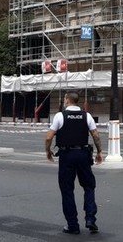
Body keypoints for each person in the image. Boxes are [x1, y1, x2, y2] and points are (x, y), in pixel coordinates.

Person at [44, 92, 104, 235]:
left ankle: (73, 225)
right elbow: (95, 135)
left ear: (67, 100)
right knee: (89, 186)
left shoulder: (60, 116)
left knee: (67, 190)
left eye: (64, 99)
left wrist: (48, 150)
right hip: (83, 155)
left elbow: (48, 137)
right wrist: (99, 151)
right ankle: (90, 219)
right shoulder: (86, 115)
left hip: (67, 155)